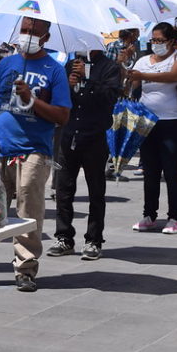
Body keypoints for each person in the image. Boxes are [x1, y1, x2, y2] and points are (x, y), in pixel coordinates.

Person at [0, 17, 70, 292]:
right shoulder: (6, 65)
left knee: (27, 212)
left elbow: (62, 115)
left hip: (33, 151)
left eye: (33, 31)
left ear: (45, 37)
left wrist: (32, 101)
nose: (27, 35)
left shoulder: (54, 70)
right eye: (23, 30)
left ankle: (25, 269)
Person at [46, 48, 121, 260]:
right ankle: (64, 237)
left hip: (95, 136)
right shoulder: (69, 66)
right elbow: (59, 100)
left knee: (96, 191)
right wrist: (67, 86)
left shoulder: (110, 67)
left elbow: (110, 98)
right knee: (63, 189)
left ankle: (94, 239)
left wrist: (89, 79)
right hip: (68, 135)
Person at [127, 22, 177, 234]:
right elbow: (131, 84)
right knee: (150, 170)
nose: (156, 44)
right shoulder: (143, 60)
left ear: (172, 41)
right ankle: (149, 214)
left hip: (173, 121)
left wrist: (143, 76)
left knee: (172, 171)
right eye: (153, 40)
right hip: (147, 121)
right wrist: (124, 68)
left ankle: (174, 217)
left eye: (160, 41)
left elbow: (174, 76)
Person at [105, 28, 140, 180]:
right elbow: (108, 69)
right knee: (113, 130)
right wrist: (123, 60)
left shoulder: (138, 48)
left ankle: (115, 166)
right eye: (136, 32)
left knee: (124, 131)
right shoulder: (114, 47)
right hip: (116, 94)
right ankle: (110, 167)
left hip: (131, 94)